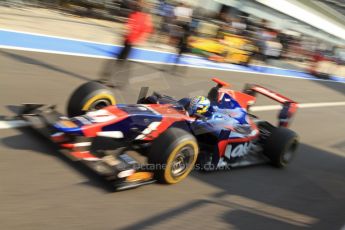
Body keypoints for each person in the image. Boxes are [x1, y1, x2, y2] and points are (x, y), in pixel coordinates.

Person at [100, 0, 153, 87]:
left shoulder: (144, 17)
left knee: (121, 62)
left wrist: (138, 38)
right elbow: (129, 26)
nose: (137, 4)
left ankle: (114, 80)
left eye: (139, 3)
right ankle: (116, 80)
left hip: (131, 41)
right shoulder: (135, 14)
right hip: (127, 40)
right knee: (122, 62)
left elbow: (147, 29)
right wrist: (126, 31)